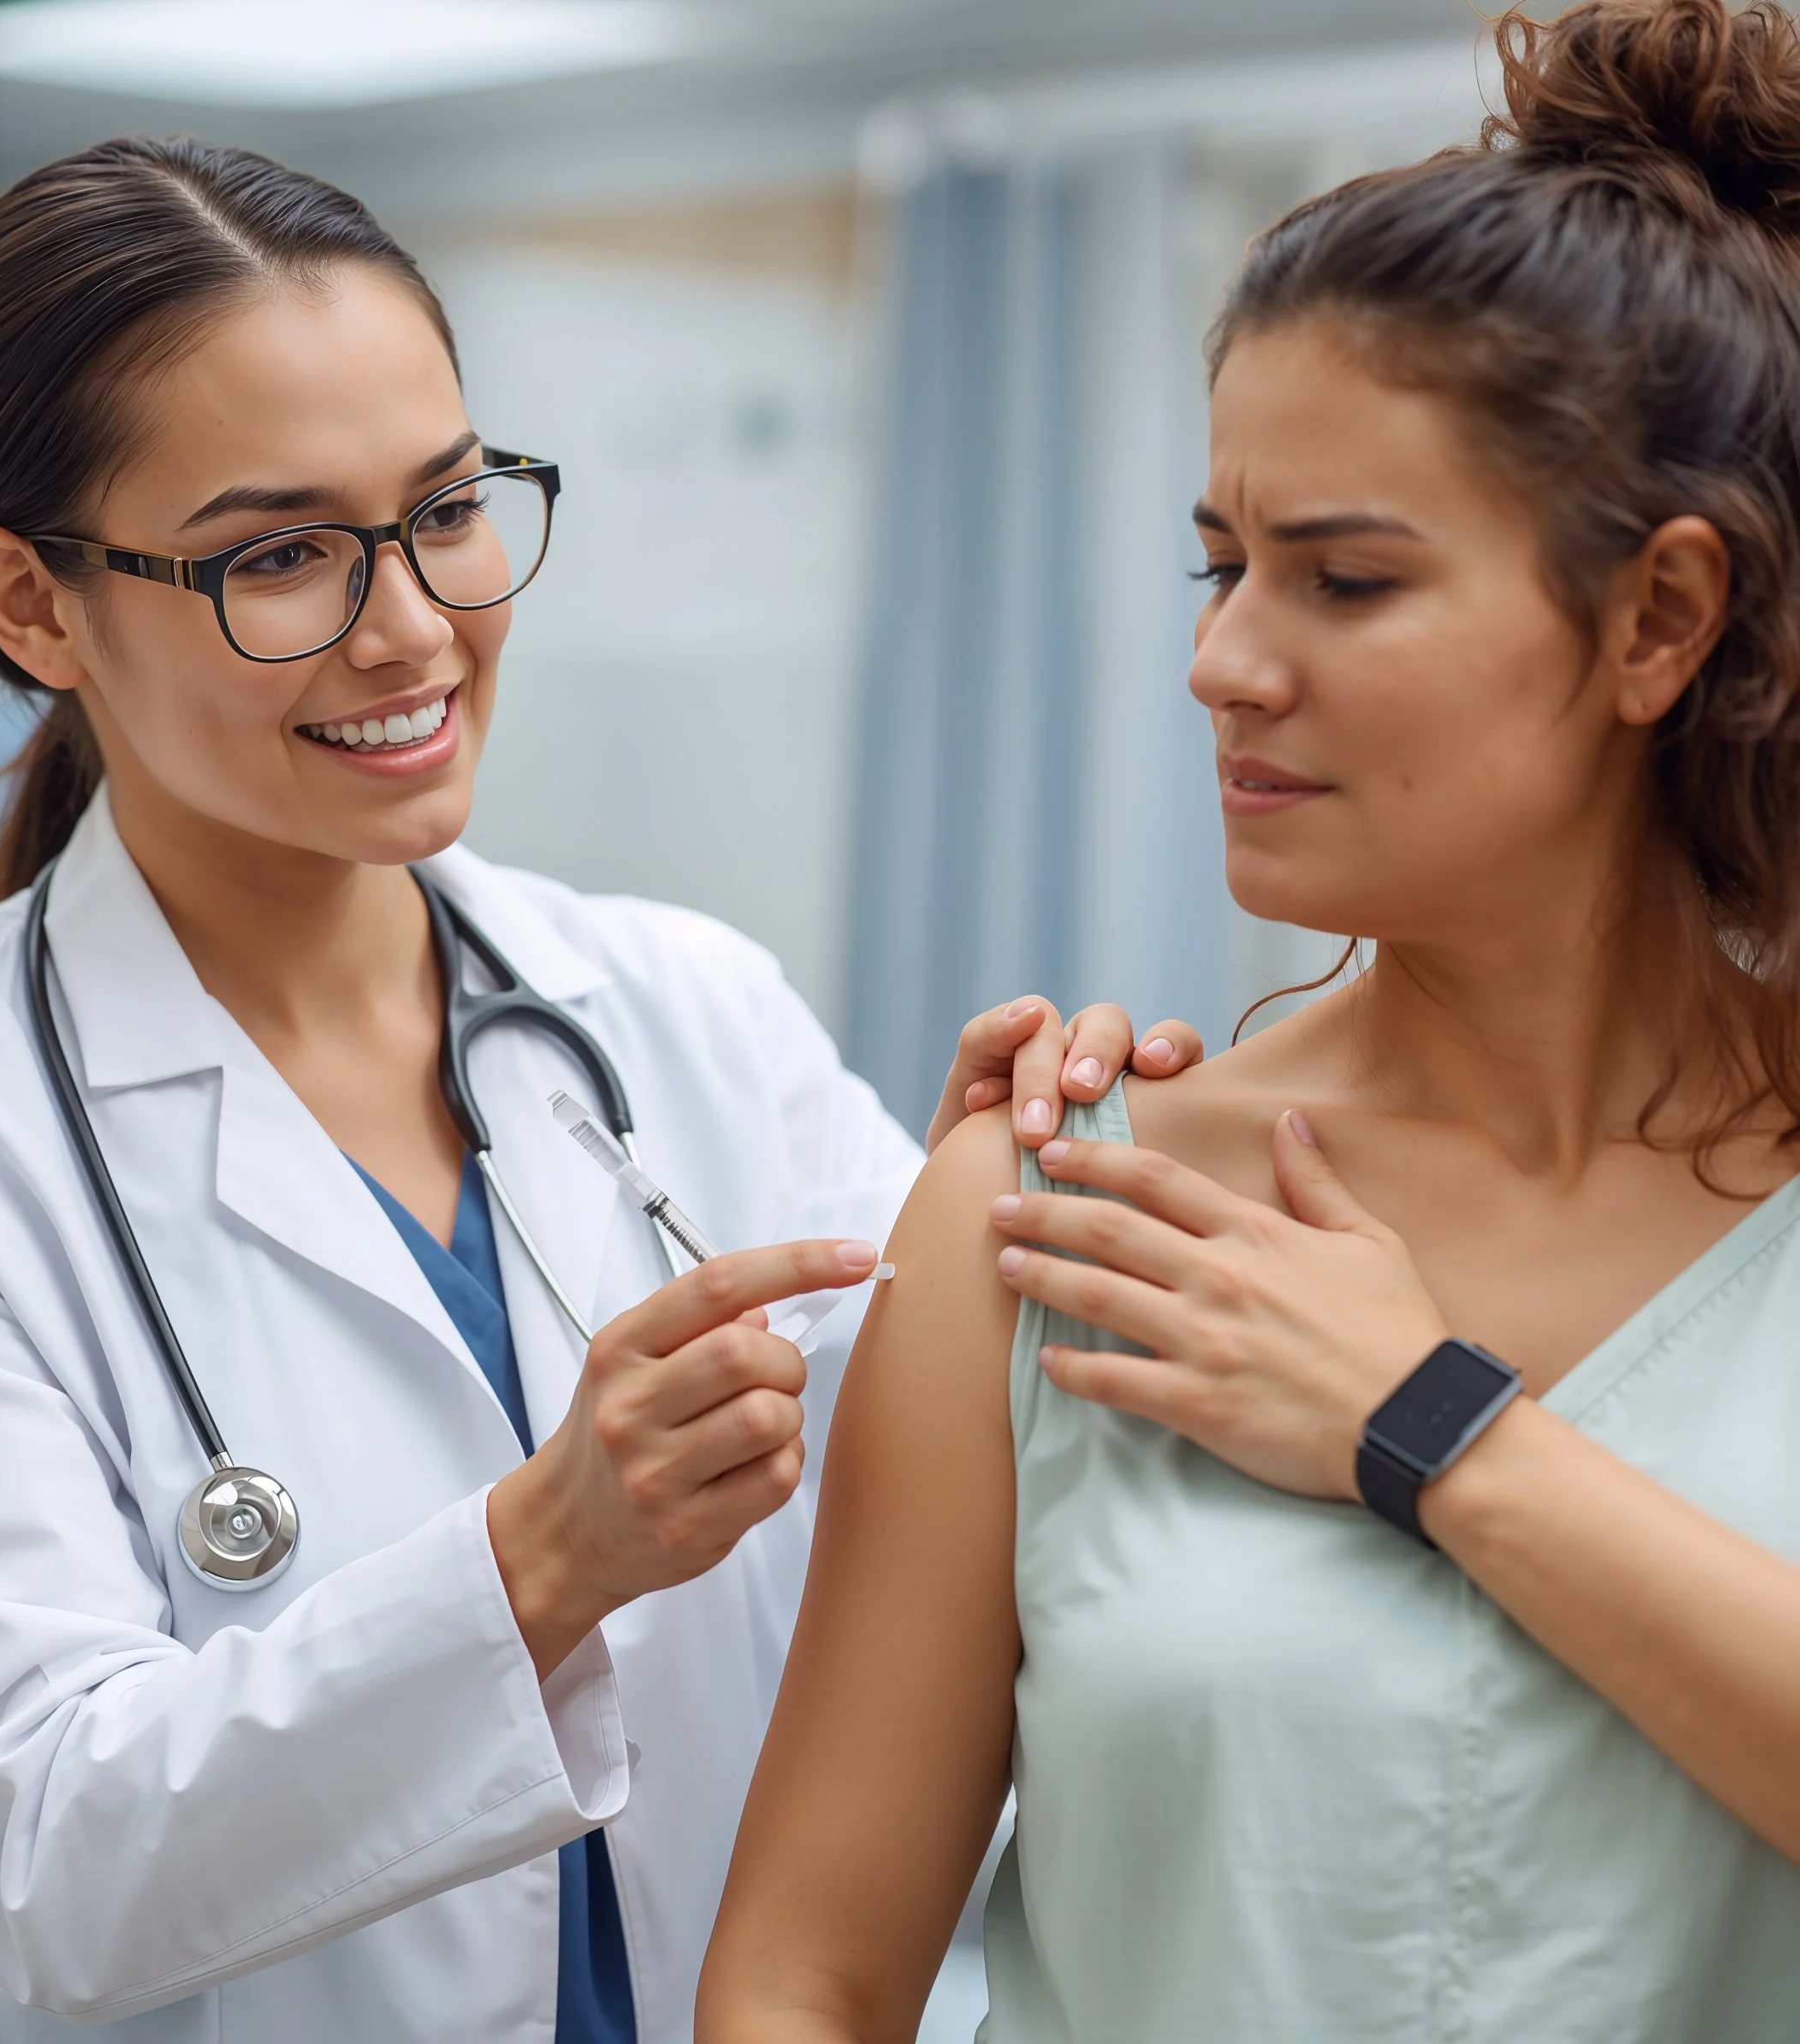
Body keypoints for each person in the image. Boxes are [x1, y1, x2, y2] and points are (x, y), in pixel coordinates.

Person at [0, 140, 1197, 2043]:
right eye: (279, 554)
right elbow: (38, 1860)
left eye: (446, 509)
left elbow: (944, 1562)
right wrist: (549, 1554)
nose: (414, 628)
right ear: (32, 608)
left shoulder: (685, 1010)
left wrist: (973, 1244)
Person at [699, 3, 1800, 2038]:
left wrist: (1435, 1428)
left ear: (1660, 617)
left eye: (1344, 583)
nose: (1223, 663)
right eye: (1217, 566)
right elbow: (806, 1976)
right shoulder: (1046, 1221)